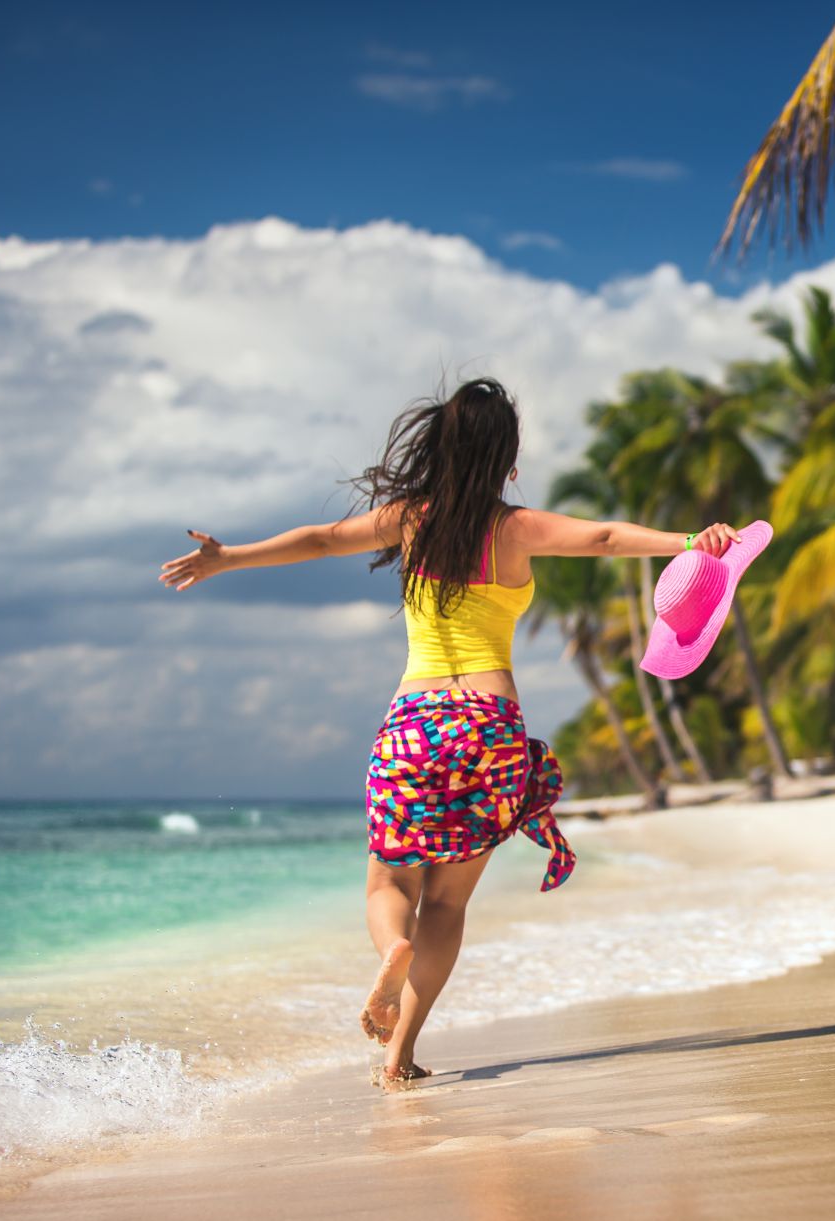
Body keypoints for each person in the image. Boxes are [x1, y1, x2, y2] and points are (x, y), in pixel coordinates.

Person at [159, 377, 740, 1087]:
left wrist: (229, 557)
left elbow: (320, 539)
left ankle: (391, 949)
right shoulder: (516, 528)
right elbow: (607, 536)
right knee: (447, 902)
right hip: (489, 727)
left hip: (414, 722)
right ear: (507, 460)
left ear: (441, 447)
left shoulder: (410, 518)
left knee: (388, 881)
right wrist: (693, 542)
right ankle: (399, 1052)